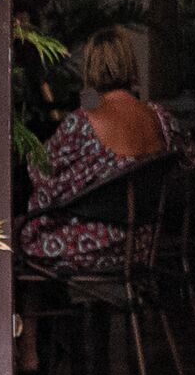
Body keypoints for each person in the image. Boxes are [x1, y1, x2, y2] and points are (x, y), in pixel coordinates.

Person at [18, 28, 181, 268]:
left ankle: (10, 306)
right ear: (129, 63)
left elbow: (42, 172)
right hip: (144, 243)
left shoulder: (83, 122)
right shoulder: (160, 118)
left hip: (94, 245)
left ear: (90, 68)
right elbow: (187, 165)